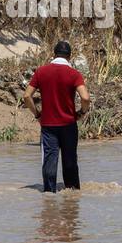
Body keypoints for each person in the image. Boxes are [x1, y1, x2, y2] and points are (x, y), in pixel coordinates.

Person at [24, 41, 91, 192]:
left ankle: (49, 196)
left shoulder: (41, 72)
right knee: (70, 163)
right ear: (70, 57)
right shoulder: (74, 74)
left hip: (48, 126)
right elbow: (85, 98)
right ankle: (73, 197)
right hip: (69, 126)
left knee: (49, 162)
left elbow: (27, 96)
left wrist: (37, 115)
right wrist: (82, 113)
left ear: (53, 54)